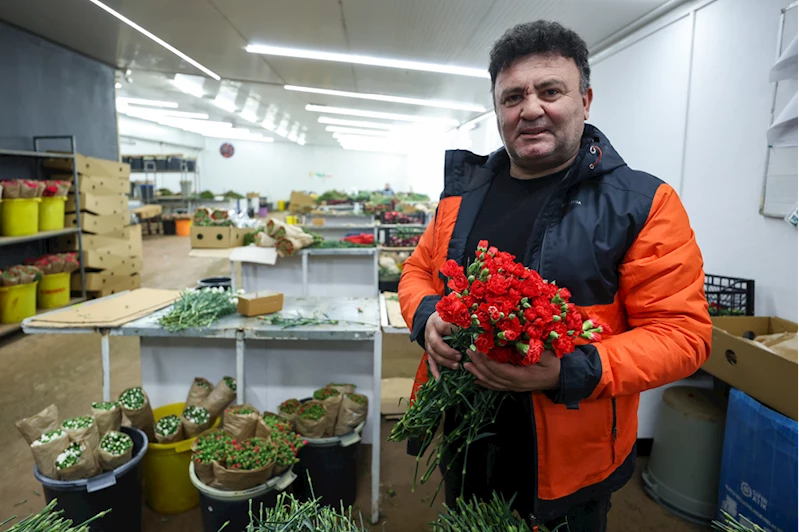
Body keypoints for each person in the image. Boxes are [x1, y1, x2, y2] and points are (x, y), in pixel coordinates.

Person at [398, 20, 712, 532]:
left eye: (550, 91)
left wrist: (569, 371)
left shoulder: (642, 204)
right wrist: (428, 315)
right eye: (513, 96)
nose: (531, 109)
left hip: (570, 459)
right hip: (464, 435)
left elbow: (683, 335)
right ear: (498, 109)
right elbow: (416, 273)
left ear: (585, 100)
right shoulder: (463, 195)